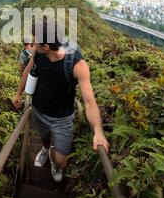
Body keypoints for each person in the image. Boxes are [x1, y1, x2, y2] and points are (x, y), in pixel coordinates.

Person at [13, 20, 109, 183]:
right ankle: (45, 148)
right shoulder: (38, 53)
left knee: (61, 161)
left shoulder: (77, 64)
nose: (32, 44)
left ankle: (52, 155)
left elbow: (90, 101)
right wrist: (18, 93)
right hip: (39, 109)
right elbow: (29, 70)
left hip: (62, 117)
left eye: (35, 41)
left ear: (46, 47)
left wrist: (98, 131)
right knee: (44, 137)